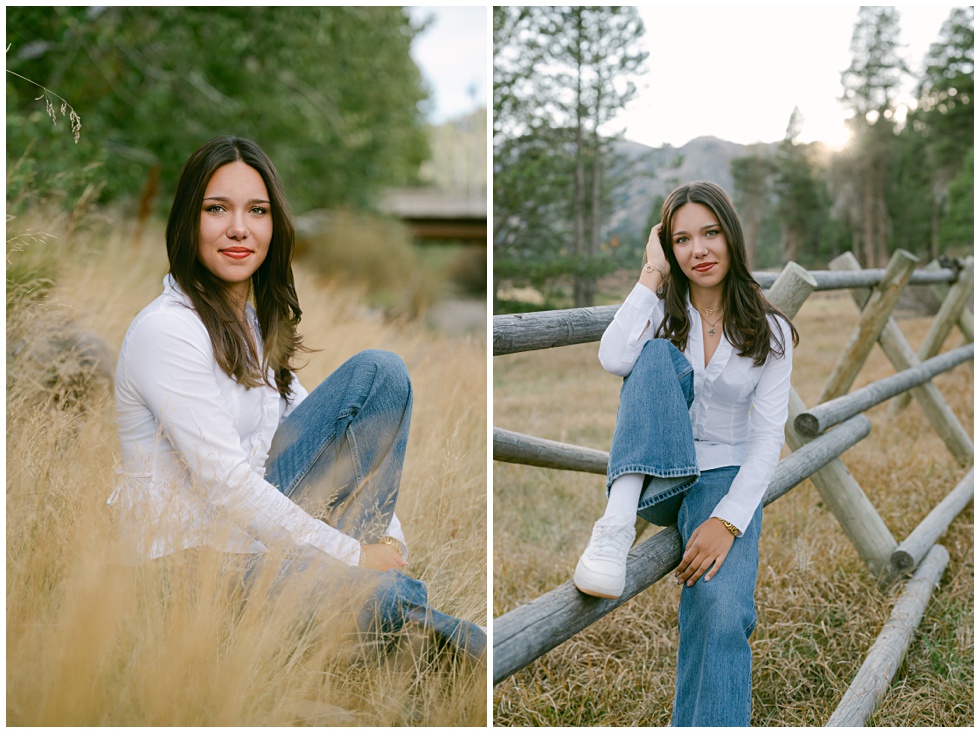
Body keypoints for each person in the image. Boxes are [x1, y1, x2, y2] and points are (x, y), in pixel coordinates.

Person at [109, 135, 485, 661]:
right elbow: (226, 484)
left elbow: (327, 428)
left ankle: (372, 599)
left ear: (273, 225)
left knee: (380, 373)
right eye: (217, 208)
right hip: (185, 572)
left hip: (251, 546)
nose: (238, 227)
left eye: (256, 211)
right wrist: (352, 554)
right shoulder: (167, 332)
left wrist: (388, 543)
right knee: (387, 595)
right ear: (188, 221)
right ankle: (439, 637)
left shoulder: (254, 327)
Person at [572, 181, 797, 726]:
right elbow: (612, 356)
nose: (698, 250)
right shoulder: (661, 312)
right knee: (650, 358)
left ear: (731, 237)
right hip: (656, 479)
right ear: (668, 249)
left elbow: (767, 440)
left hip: (724, 477)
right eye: (681, 240)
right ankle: (614, 528)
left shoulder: (770, 332)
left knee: (722, 610)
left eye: (710, 233)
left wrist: (729, 520)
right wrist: (651, 274)